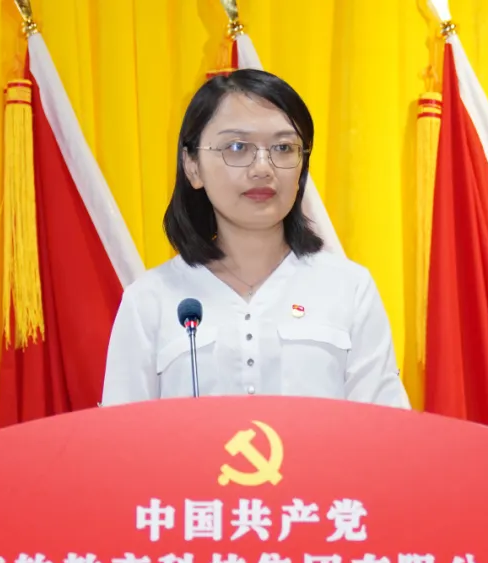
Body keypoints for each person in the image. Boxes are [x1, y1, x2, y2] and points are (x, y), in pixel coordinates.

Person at [100, 68, 410, 410]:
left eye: (283, 147)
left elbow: (385, 428)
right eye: (237, 147)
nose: (263, 168)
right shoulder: (150, 300)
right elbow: (121, 435)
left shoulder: (348, 289)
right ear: (193, 166)